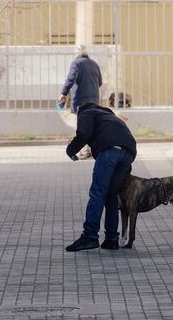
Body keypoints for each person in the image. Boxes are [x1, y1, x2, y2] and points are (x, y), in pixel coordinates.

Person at [65, 102, 137, 252]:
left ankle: (90, 236)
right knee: (111, 194)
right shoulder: (109, 116)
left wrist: (70, 150)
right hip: (128, 153)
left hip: (110, 151)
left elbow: (83, 134)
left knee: (97, 193)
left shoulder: (86, 113)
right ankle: (111, 239)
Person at [59, 44, 102, 114]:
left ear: (76, 53)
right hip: (94, 103)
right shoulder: (95, 64)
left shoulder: (76, 63)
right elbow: (99, 83)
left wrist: (64, 93)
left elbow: (71, 79)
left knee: (80, 123)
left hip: (80, 103)